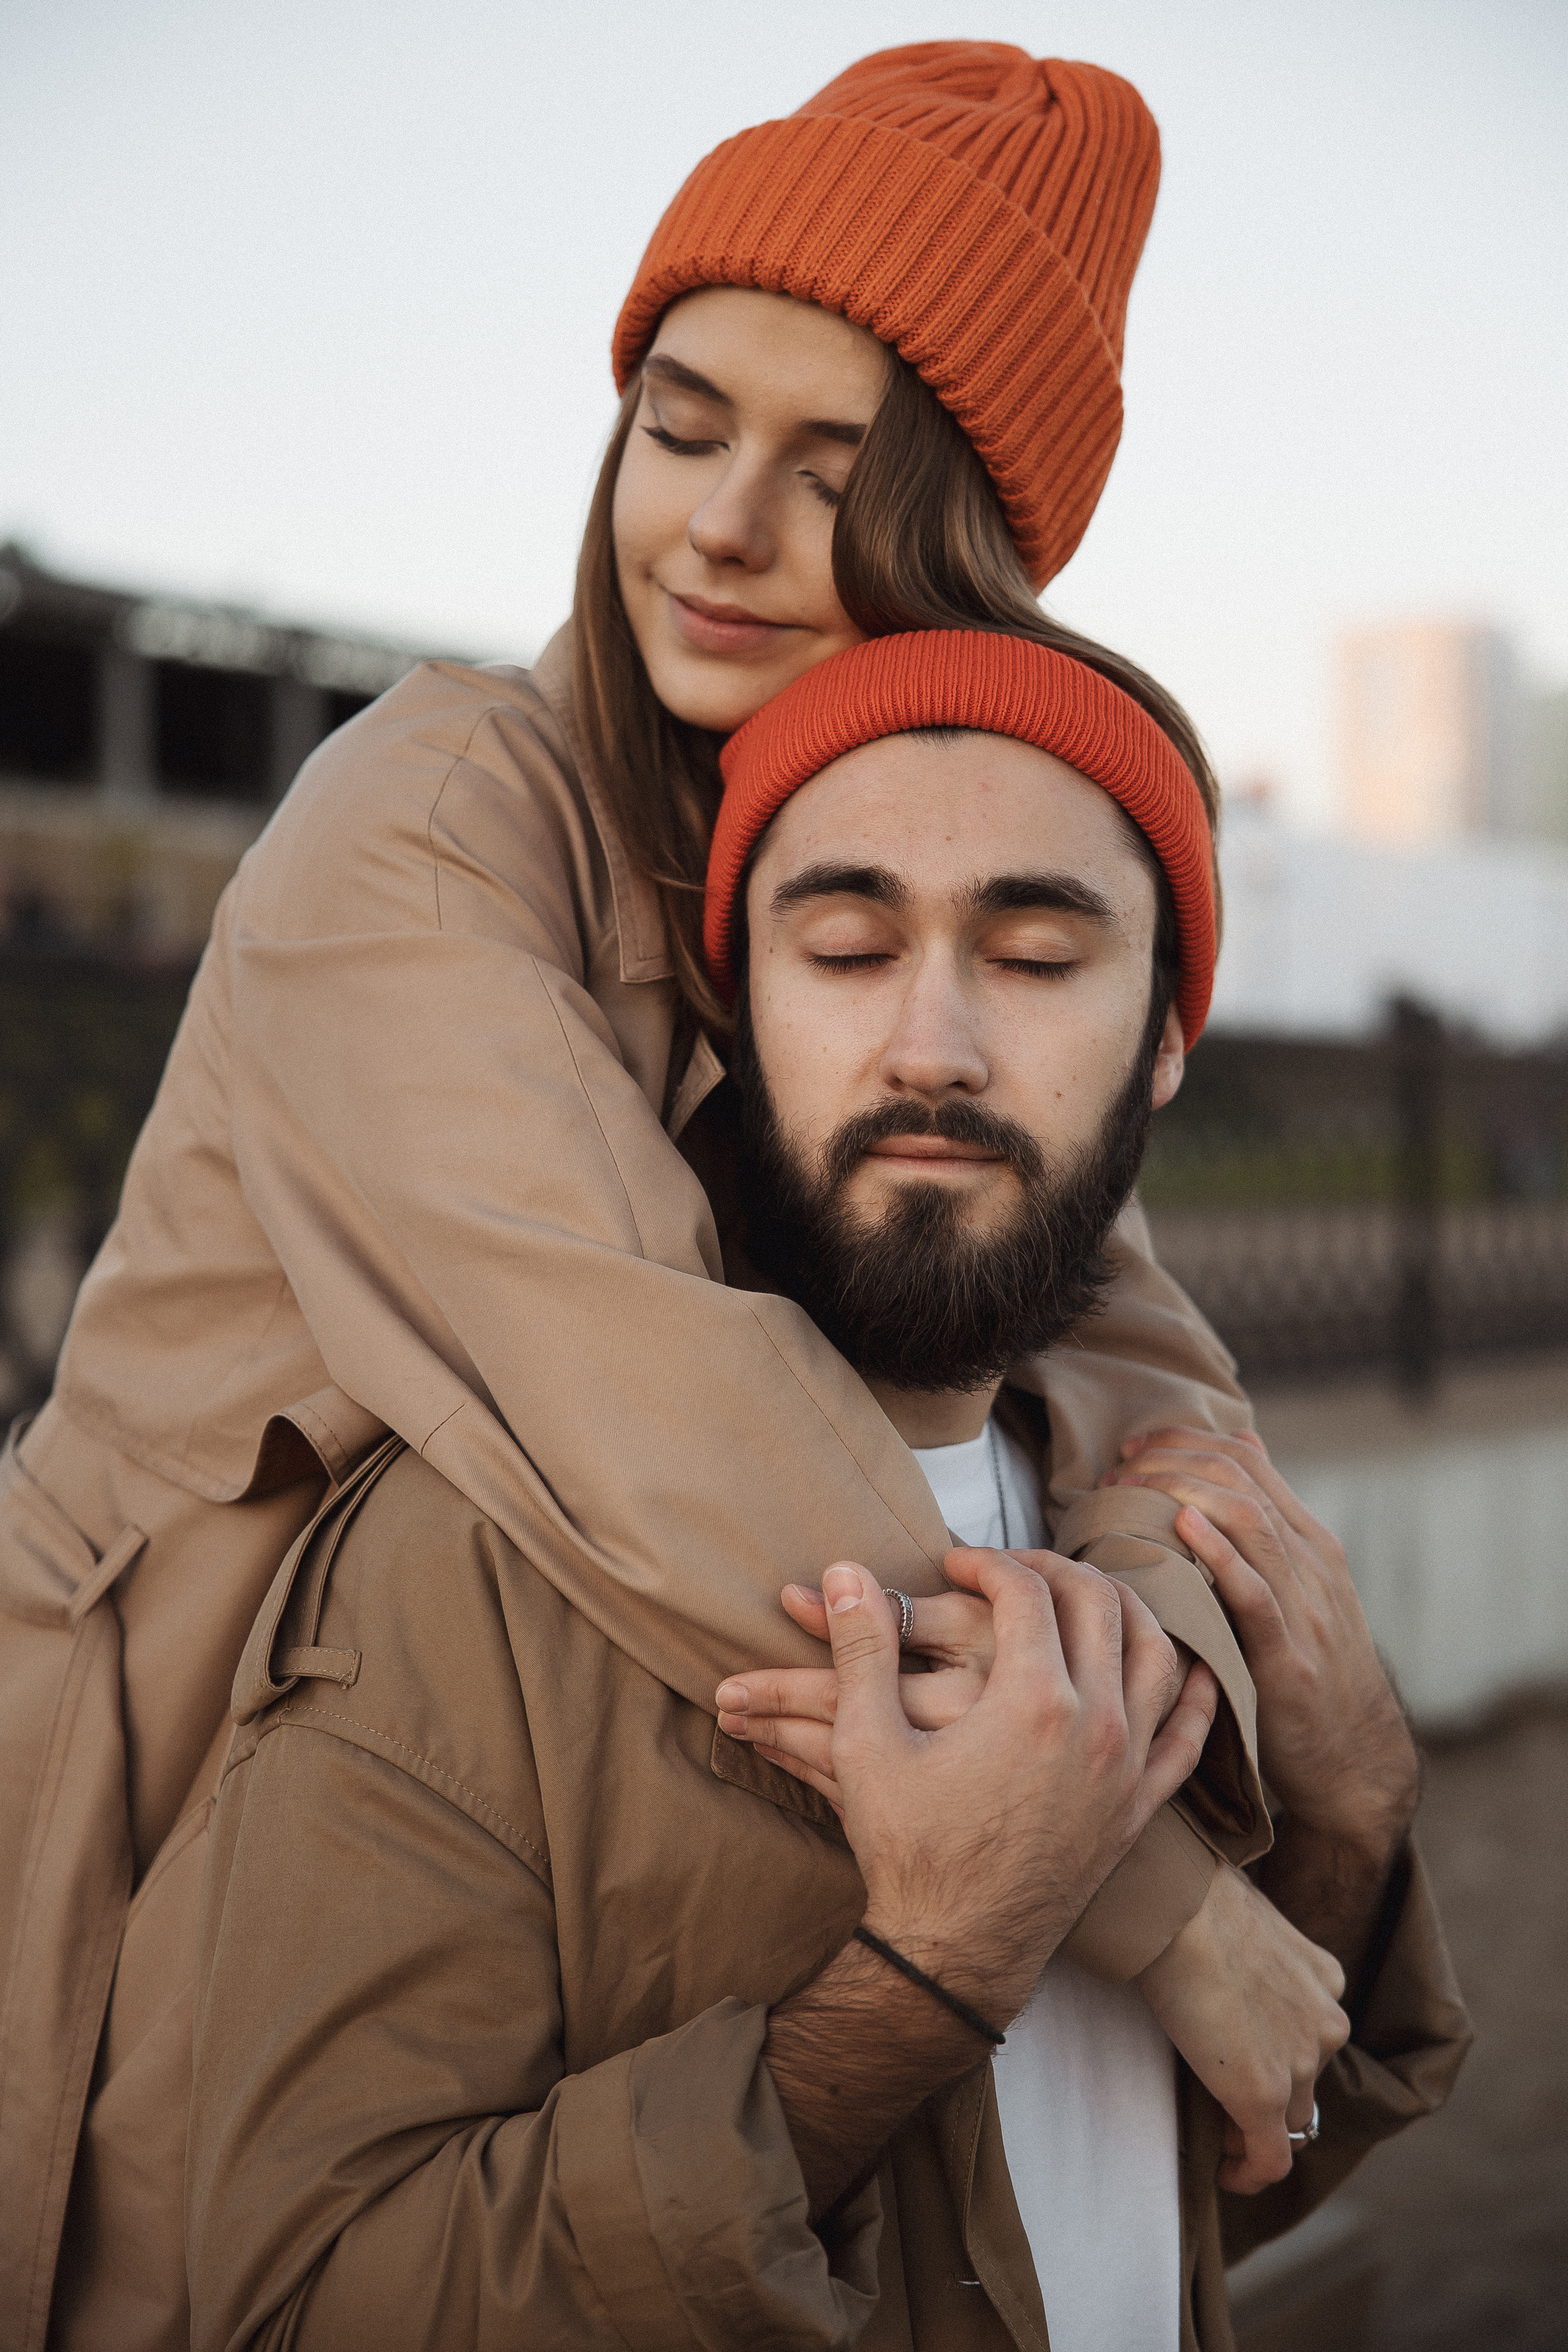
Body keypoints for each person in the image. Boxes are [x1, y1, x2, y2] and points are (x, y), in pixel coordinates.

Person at [0, 43, 1278, 2346]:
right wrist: (1162, 1892)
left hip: (605, 1816)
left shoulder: (879, 871)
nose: (712, 526)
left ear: (973, 540)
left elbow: (1142, 1376)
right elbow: (657, 1406)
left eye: (829, 471)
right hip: (192, 1762)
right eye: (682, 426)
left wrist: (1181, 1640)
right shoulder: (431, 810)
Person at [185, 630, 1469, 2351]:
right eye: (850, 947)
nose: (929, 1045)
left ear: (1164, 1038)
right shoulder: (458, 1574)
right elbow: (298, 2304)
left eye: (1032, 954)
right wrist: (927, 1977)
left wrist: (1354, 1815)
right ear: (738, 1013)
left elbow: (1217, 2179)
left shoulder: (1172, 1525)